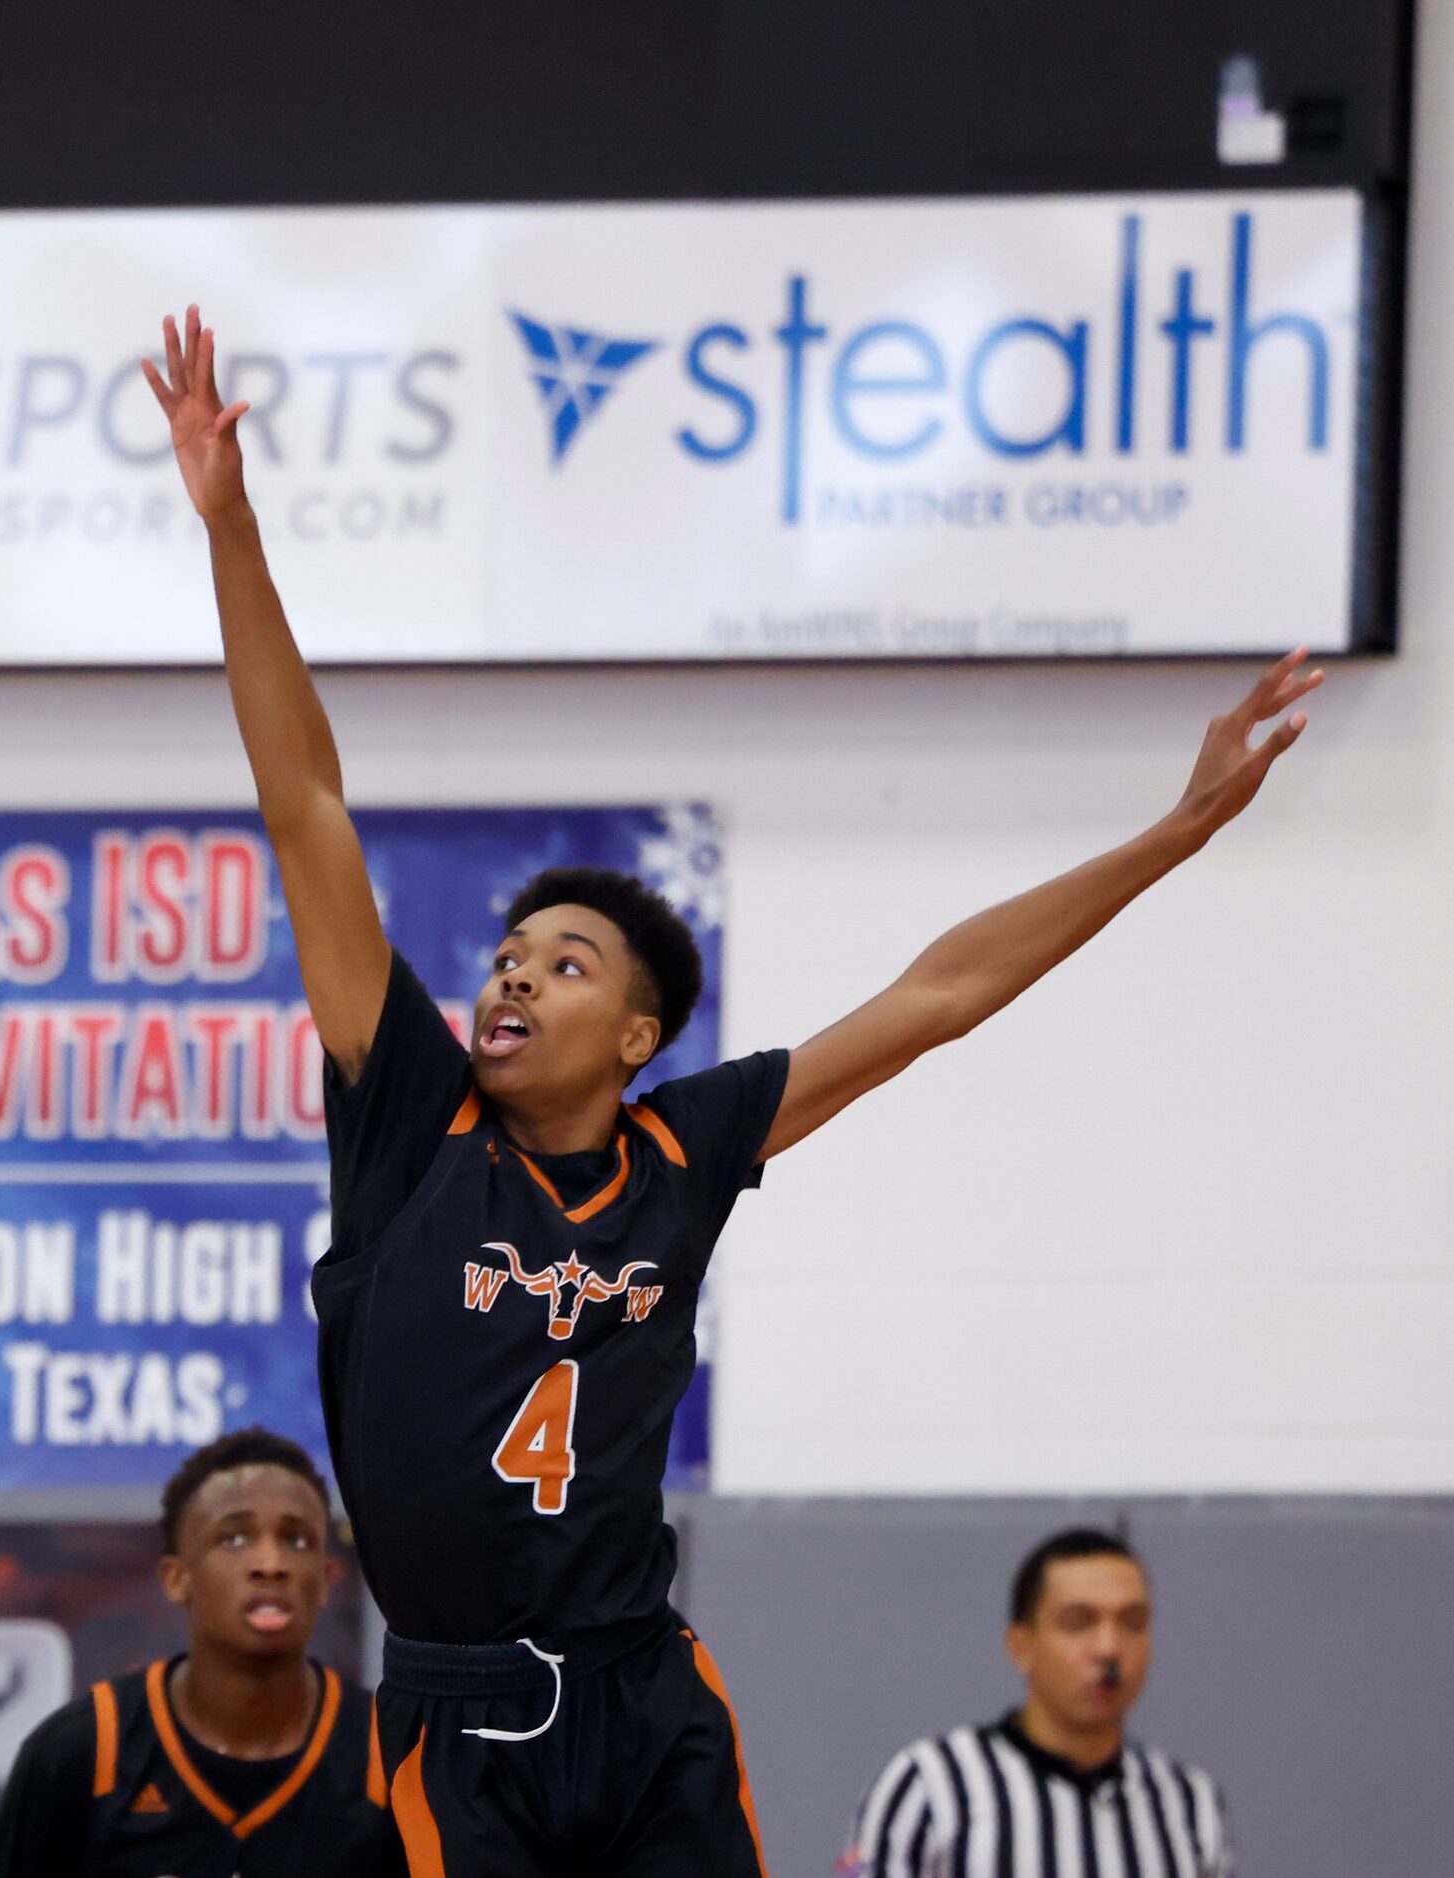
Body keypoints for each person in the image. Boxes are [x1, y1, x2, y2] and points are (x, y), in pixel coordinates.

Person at [142, 304, 1315, 1878]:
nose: (511, 976)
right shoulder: (412, 1124)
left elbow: (940, 995)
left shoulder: (685, 1149)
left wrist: (1170, 833)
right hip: (453, 1711)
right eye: (507, 953)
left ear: (639, 1039)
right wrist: (231, 524)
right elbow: (307, 805)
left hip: (640, 1691)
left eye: (564, 966)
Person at [0, 1428, 400, 1878]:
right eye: (233, 1539)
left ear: (326, 1577)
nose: (270, 1564)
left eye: (296, 1540)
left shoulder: (391, 1757)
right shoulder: (80, 1752)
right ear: (177, 1579)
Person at [843, 1529, 1233, 1877]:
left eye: (1132, 1622)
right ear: (1021, 1645)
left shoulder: (1187, 1801)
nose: (1109, 1649)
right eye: (1079, 1622)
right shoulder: (929, 1786)